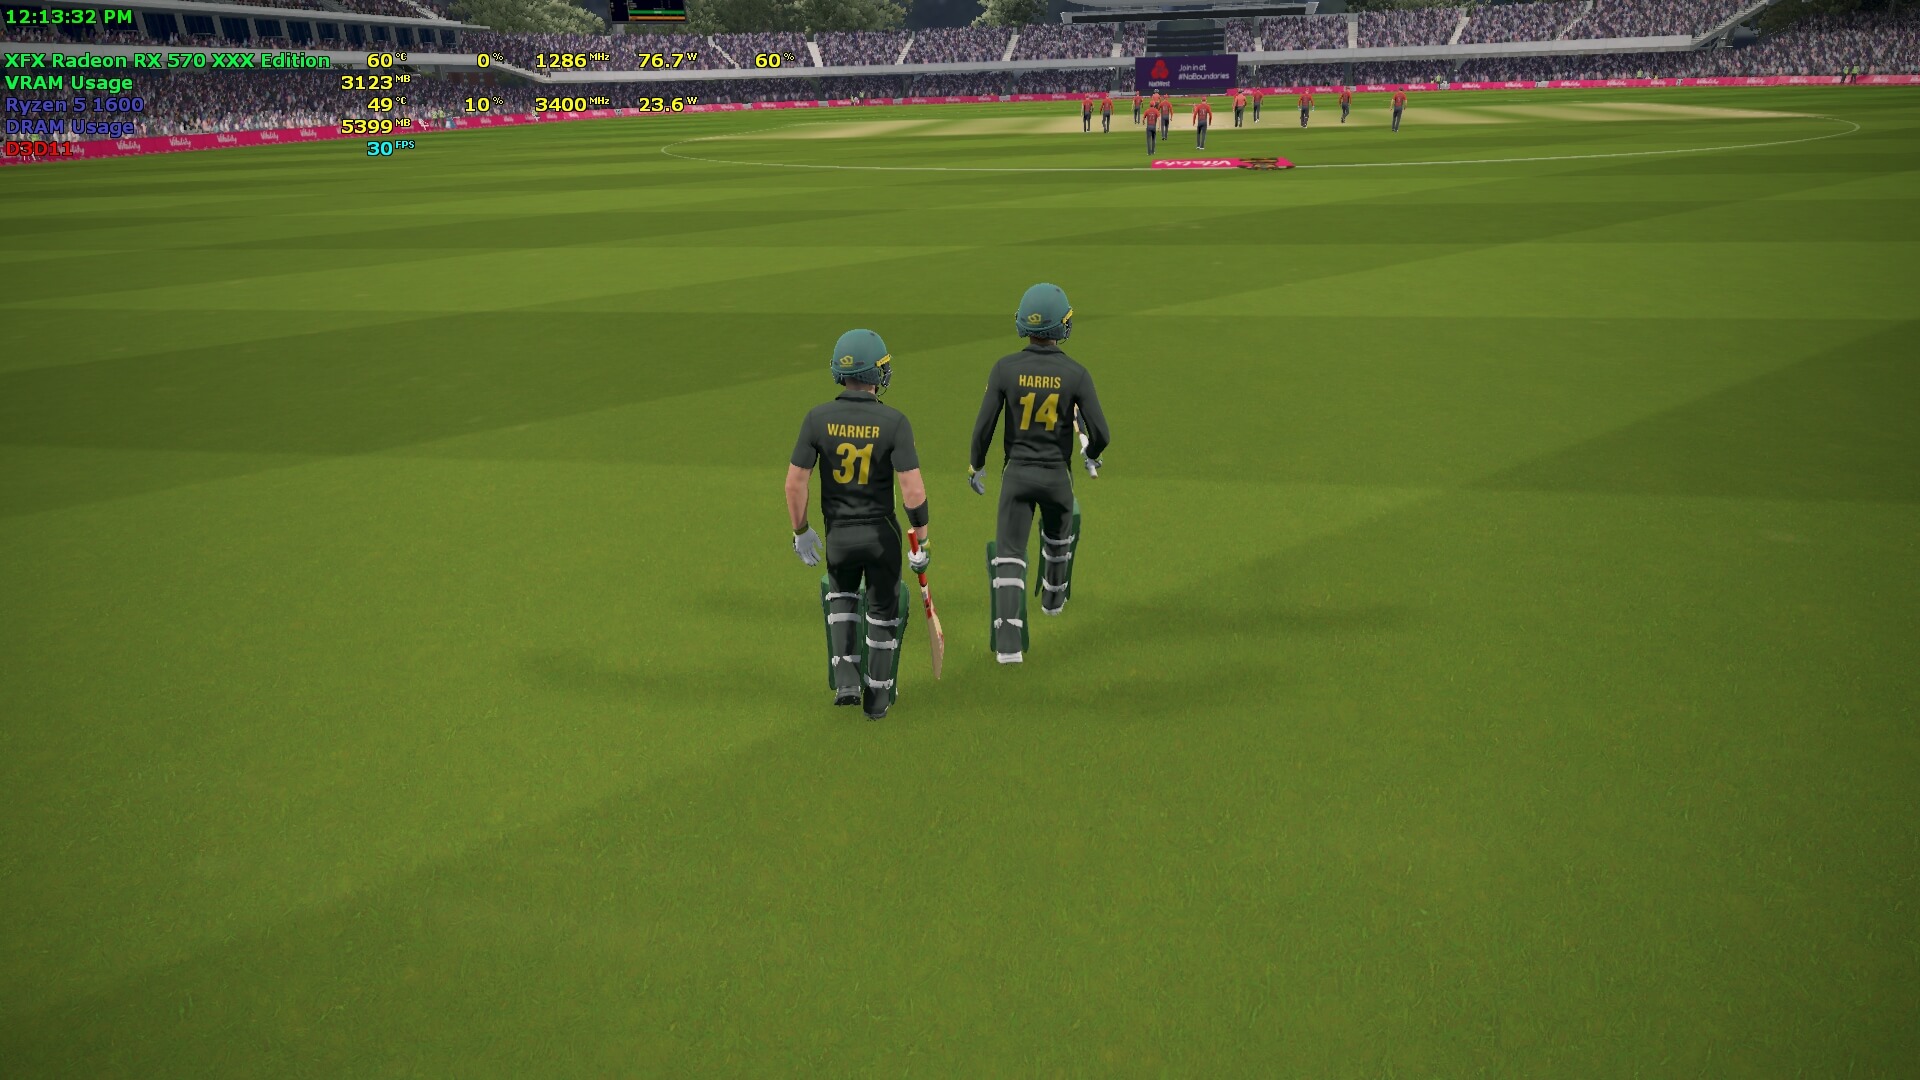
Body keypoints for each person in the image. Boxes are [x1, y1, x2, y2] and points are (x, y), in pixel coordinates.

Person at [786, 329, 929, 719]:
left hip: (839, 535)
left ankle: (847, 682)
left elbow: (795, 482)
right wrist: (921, 540)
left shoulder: (817, 419)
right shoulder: (894, 422)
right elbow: (912, 490)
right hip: (881, 534)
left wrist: (801, 531)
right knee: (882, 612)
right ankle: (877, 699)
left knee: (843, 599)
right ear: (876, 372)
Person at [967, 284, 1110, 664]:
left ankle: (1009, 646)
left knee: (1010, 556)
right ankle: (1052, 600)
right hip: (1057, 477)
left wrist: (976, 464)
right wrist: (1092, 454)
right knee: (1057, 539)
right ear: (1062, 325)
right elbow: (1101, 433)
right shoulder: (1076, 374)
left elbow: (984, 427)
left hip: (1017, 475)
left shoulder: (1004, 368)